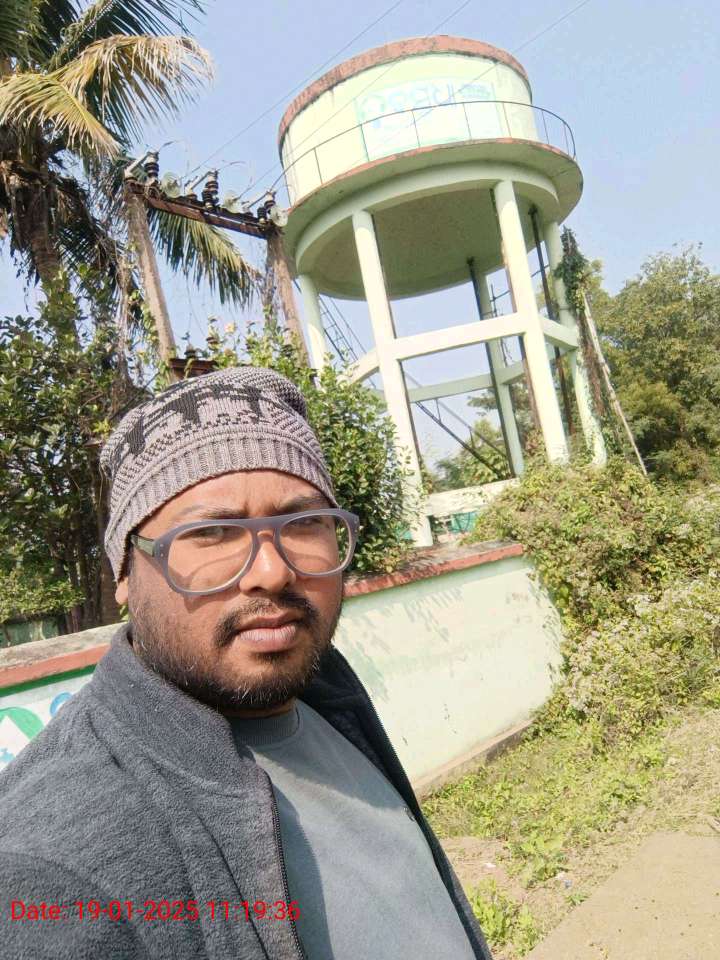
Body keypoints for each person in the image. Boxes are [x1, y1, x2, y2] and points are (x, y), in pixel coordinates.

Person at [0, 366, 493, 959]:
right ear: (124, 572)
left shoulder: (327, 699)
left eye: (304, 522)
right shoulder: (51, 864)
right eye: (212, 533)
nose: (272, 571)